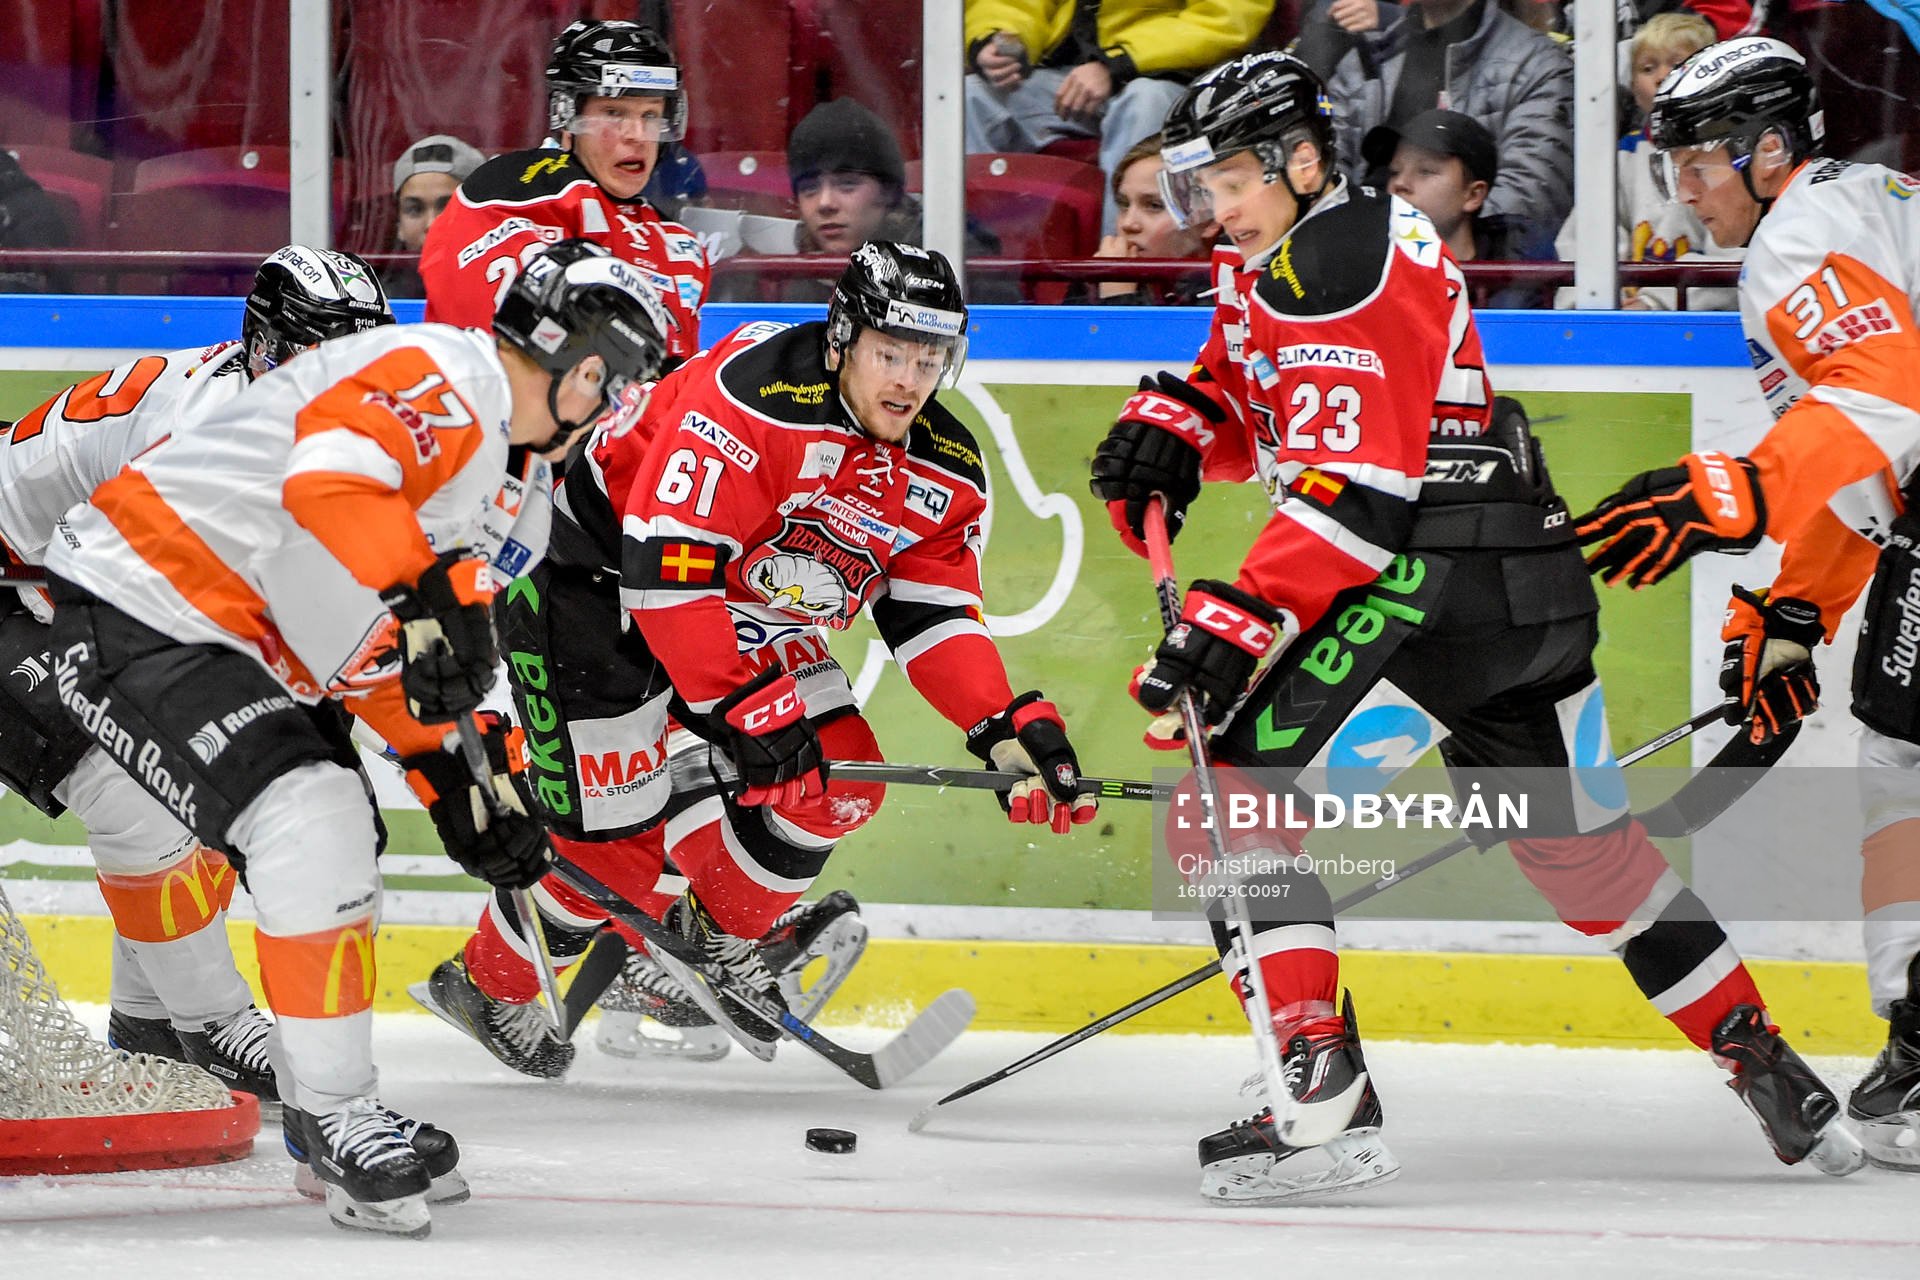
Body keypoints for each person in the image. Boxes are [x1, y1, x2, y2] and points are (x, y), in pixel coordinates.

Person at [1090, 50, 1865, 1206]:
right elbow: (1269, 394)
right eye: (1202, 185)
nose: (1216, 207)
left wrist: (1237, 619)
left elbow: (1360, 489)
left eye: (1234, 180)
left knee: (1231, 804)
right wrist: (1184, 422)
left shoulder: (1330, 262)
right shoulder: (1317, 245)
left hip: (1426, 582)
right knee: (1587, 851)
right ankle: (1765, 1058)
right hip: (1527, 579)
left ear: (1301, 162)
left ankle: (1320, 1100)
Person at [41, 239, 672, 1237]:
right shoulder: (453, 378)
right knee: (308, 812)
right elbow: (332, 483)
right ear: (575, 361)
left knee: (333, 827)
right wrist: (427, 595)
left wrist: (462, 780)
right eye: (617, 378)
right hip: (135, 602)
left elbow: (383, 649)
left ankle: (318, 1106)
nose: (616, 405)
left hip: (215, 625)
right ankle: (323, 1109)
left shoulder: (514, 480)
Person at [417, 242, 1099, 1077]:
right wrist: (744, 709)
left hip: (735, 602)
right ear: (843, 338)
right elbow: (666, 575)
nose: (909, 381)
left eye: (929, 360)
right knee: (613, 858)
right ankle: (484, 987)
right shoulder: (756, 395)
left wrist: (999, 726)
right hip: (592, 582)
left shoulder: (945, 466)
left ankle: (703, 949)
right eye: (891, 353)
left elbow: (932, 613)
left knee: (838, 780)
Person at [1574, 36, 1920, 1173]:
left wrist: (1741, 487)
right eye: (1670, 167)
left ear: (1769, 149)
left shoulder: (1800, 236)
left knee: (1907, 763)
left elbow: (1887, 393)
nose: (1684, 192)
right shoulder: (1860, 204)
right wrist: (1797, 614)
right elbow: (1878, 448)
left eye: (1698, 163)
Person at [0, 248, 393, 1119]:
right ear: (262, 350)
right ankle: (211, 1023)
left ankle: (148, 1020)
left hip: (66, 586)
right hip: (22, 587)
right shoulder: (205, 436)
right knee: (136, 784)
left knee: (229, 774)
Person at [419, 19, 709, 365]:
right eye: (614, 113)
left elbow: (675, 385)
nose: (636, 134)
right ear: (566, 113)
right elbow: (513, 364)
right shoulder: (514, 190)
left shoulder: (679, 246)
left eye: (650, 114)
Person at [963, 0, 1275, 232]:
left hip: (1177, 77)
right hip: (1070, 75)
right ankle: (985, 258)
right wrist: (999, 39)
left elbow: (1228, 18)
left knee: (1144, 101)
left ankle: (1117, 266)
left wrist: (1117, 63)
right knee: (969, 96)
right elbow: (1012, 5)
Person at [1325, 0, 1575, 252]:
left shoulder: (1537, 66)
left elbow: (1528, 203)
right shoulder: (1366, 57)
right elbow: (1325, 176)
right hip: (1358, 261)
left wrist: (1436, 257)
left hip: (1471, 269)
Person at [1552, 12, 1738, 312]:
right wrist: (1596, 300)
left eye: (1677, 65)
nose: (1662, 76)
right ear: (1634, 88)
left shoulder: (1730, 157)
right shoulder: (1621, 157)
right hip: (1624, 316)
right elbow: (1583, 240)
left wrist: (1656, 302)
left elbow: (1731, 259)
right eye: (1648, 68)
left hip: (1699, 326)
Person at [1363, 108, 1553, 305]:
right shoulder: (1364, 271)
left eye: (1425, 171)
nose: (1399, 183)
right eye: (1394, 172)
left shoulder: (1517, 284)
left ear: (1473, 195)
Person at [1079, 132, 1218, 304]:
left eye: (1154, 205)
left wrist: (1117, 297)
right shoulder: (1095, 281)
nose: (1128, 224)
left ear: (1212, 221)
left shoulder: (1229, 293)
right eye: (1124, 204)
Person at [382, 134, 487, 299]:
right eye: (414, 209)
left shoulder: (507, 297)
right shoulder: (381, 300)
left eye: (448, 208)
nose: (431, 224)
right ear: (399, 225)